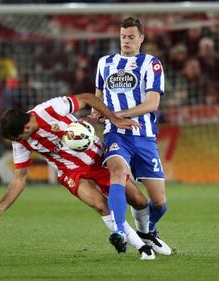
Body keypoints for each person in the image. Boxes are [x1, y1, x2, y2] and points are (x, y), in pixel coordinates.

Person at [0, 93, 156, 260]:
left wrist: (114, 119)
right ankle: (142, 249)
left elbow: (87, 98)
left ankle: (146, 236)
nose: (17, 142)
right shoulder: (21, 142)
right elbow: (19, 178)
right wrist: (2, 207)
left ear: (26, 127)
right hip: (70, 171)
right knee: (100, 205)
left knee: (139, 201)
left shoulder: (50, 109)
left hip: (97, 159)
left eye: (18, 137)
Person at [92, 17, 171, 255]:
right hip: (116, 134)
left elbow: (152, 103)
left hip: (144, 136)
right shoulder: (104, 63)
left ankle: (147, 231)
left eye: (131, 37)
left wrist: (117, 113)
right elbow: (99, 99)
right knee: (117, 171)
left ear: (141, 38)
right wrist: (97, 114)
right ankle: (118, 230)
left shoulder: (152, 64)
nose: (126, 41)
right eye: (123, 37)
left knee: (159, 203)